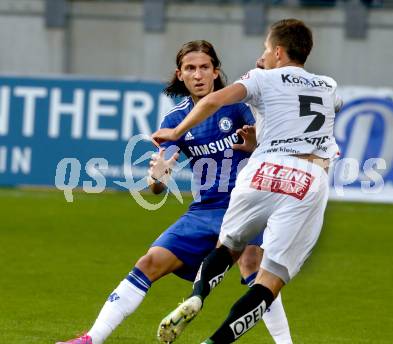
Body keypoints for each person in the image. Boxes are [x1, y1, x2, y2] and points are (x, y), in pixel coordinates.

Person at [56, 40, 292, 344]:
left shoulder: (237, 106)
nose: (198, 75)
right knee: (149, 262)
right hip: (205, 210)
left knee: (253, 265)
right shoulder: (174, 120)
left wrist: (255, 144)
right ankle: (92, 338)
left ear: (216, 71)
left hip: (246, 205)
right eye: (190, 69)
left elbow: (273, 144)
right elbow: (158, 186)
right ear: (179, 74)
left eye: (204, 67)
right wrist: (158, 177)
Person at [153, 19, 343, 344]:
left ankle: (198, 294)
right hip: (309, 178)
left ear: (278, 51)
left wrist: (175, 132)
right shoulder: (328, 86)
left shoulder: (262, 78)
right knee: (268, 282)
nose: (262, 55)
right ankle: (216, 341)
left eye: (266, 49)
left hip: (264, 169)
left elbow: (213, 101)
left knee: (227, 248)